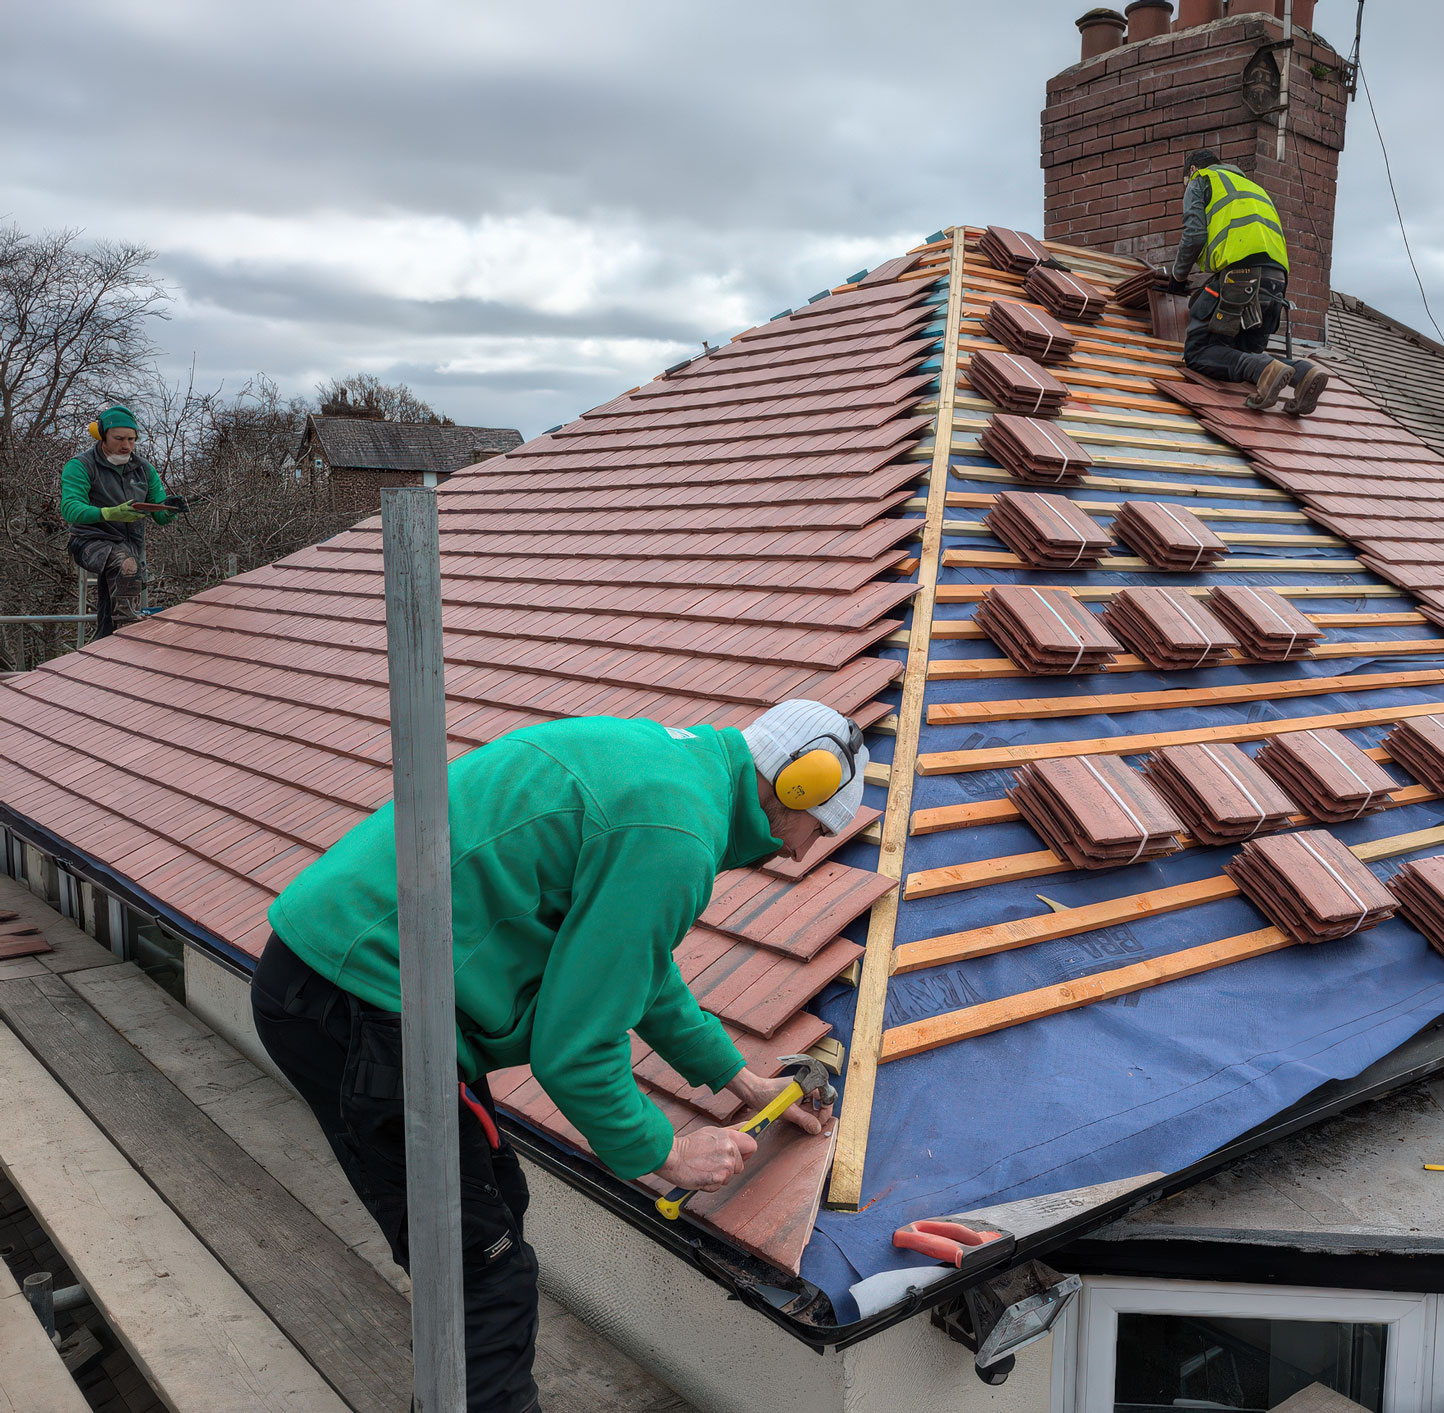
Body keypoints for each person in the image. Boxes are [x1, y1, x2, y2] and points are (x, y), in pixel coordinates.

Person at [251, 699, 867, 1413]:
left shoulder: (678, 774)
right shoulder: (676, 835)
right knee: (484, 1273)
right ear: (792, 784)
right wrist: (666, 1152)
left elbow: (637, 963)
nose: (801, 852)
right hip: (356, 999)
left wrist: (740, 1079)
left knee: (494, 1216)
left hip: (361, 983)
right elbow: (573, 1048)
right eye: (814, 828)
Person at [1169, 149, 1332, 415]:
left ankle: (1265, 371)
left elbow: (1194, 235)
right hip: (1276, 282)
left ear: (1192, 170)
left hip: (1240, 276)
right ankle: (1304, 373)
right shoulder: (1252, 188)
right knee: (1245, 353)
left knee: (1198, 352)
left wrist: (1177, 278)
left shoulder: (1202, 180)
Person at [59, 404, 182, 639]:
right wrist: (109, 513)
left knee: (111, 603)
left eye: (132, 439)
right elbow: (70, 509)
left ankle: (105, 640)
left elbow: (159, 514)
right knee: (125, 565)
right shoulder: (81, 466)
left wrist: (170, 509)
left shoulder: (144, 470)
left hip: (129, 546)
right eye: (119, 438)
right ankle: (127, 628)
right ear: (103, 435)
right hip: (89, 542)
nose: (126, 446)